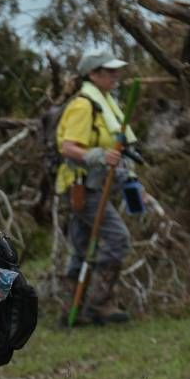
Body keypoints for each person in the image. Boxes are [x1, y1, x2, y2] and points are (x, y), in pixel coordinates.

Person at [55, 49, 139, 326]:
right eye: (109, 71)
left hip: (100, 186)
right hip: (83, 187)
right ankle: (98, 304)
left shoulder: (104, 103)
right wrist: (100, 156)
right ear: (93, 74)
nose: (116, 76)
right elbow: (69, 147)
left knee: (80, 246)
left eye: (116, 71)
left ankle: (72, 309)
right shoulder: (84, 105)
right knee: (118, 239)